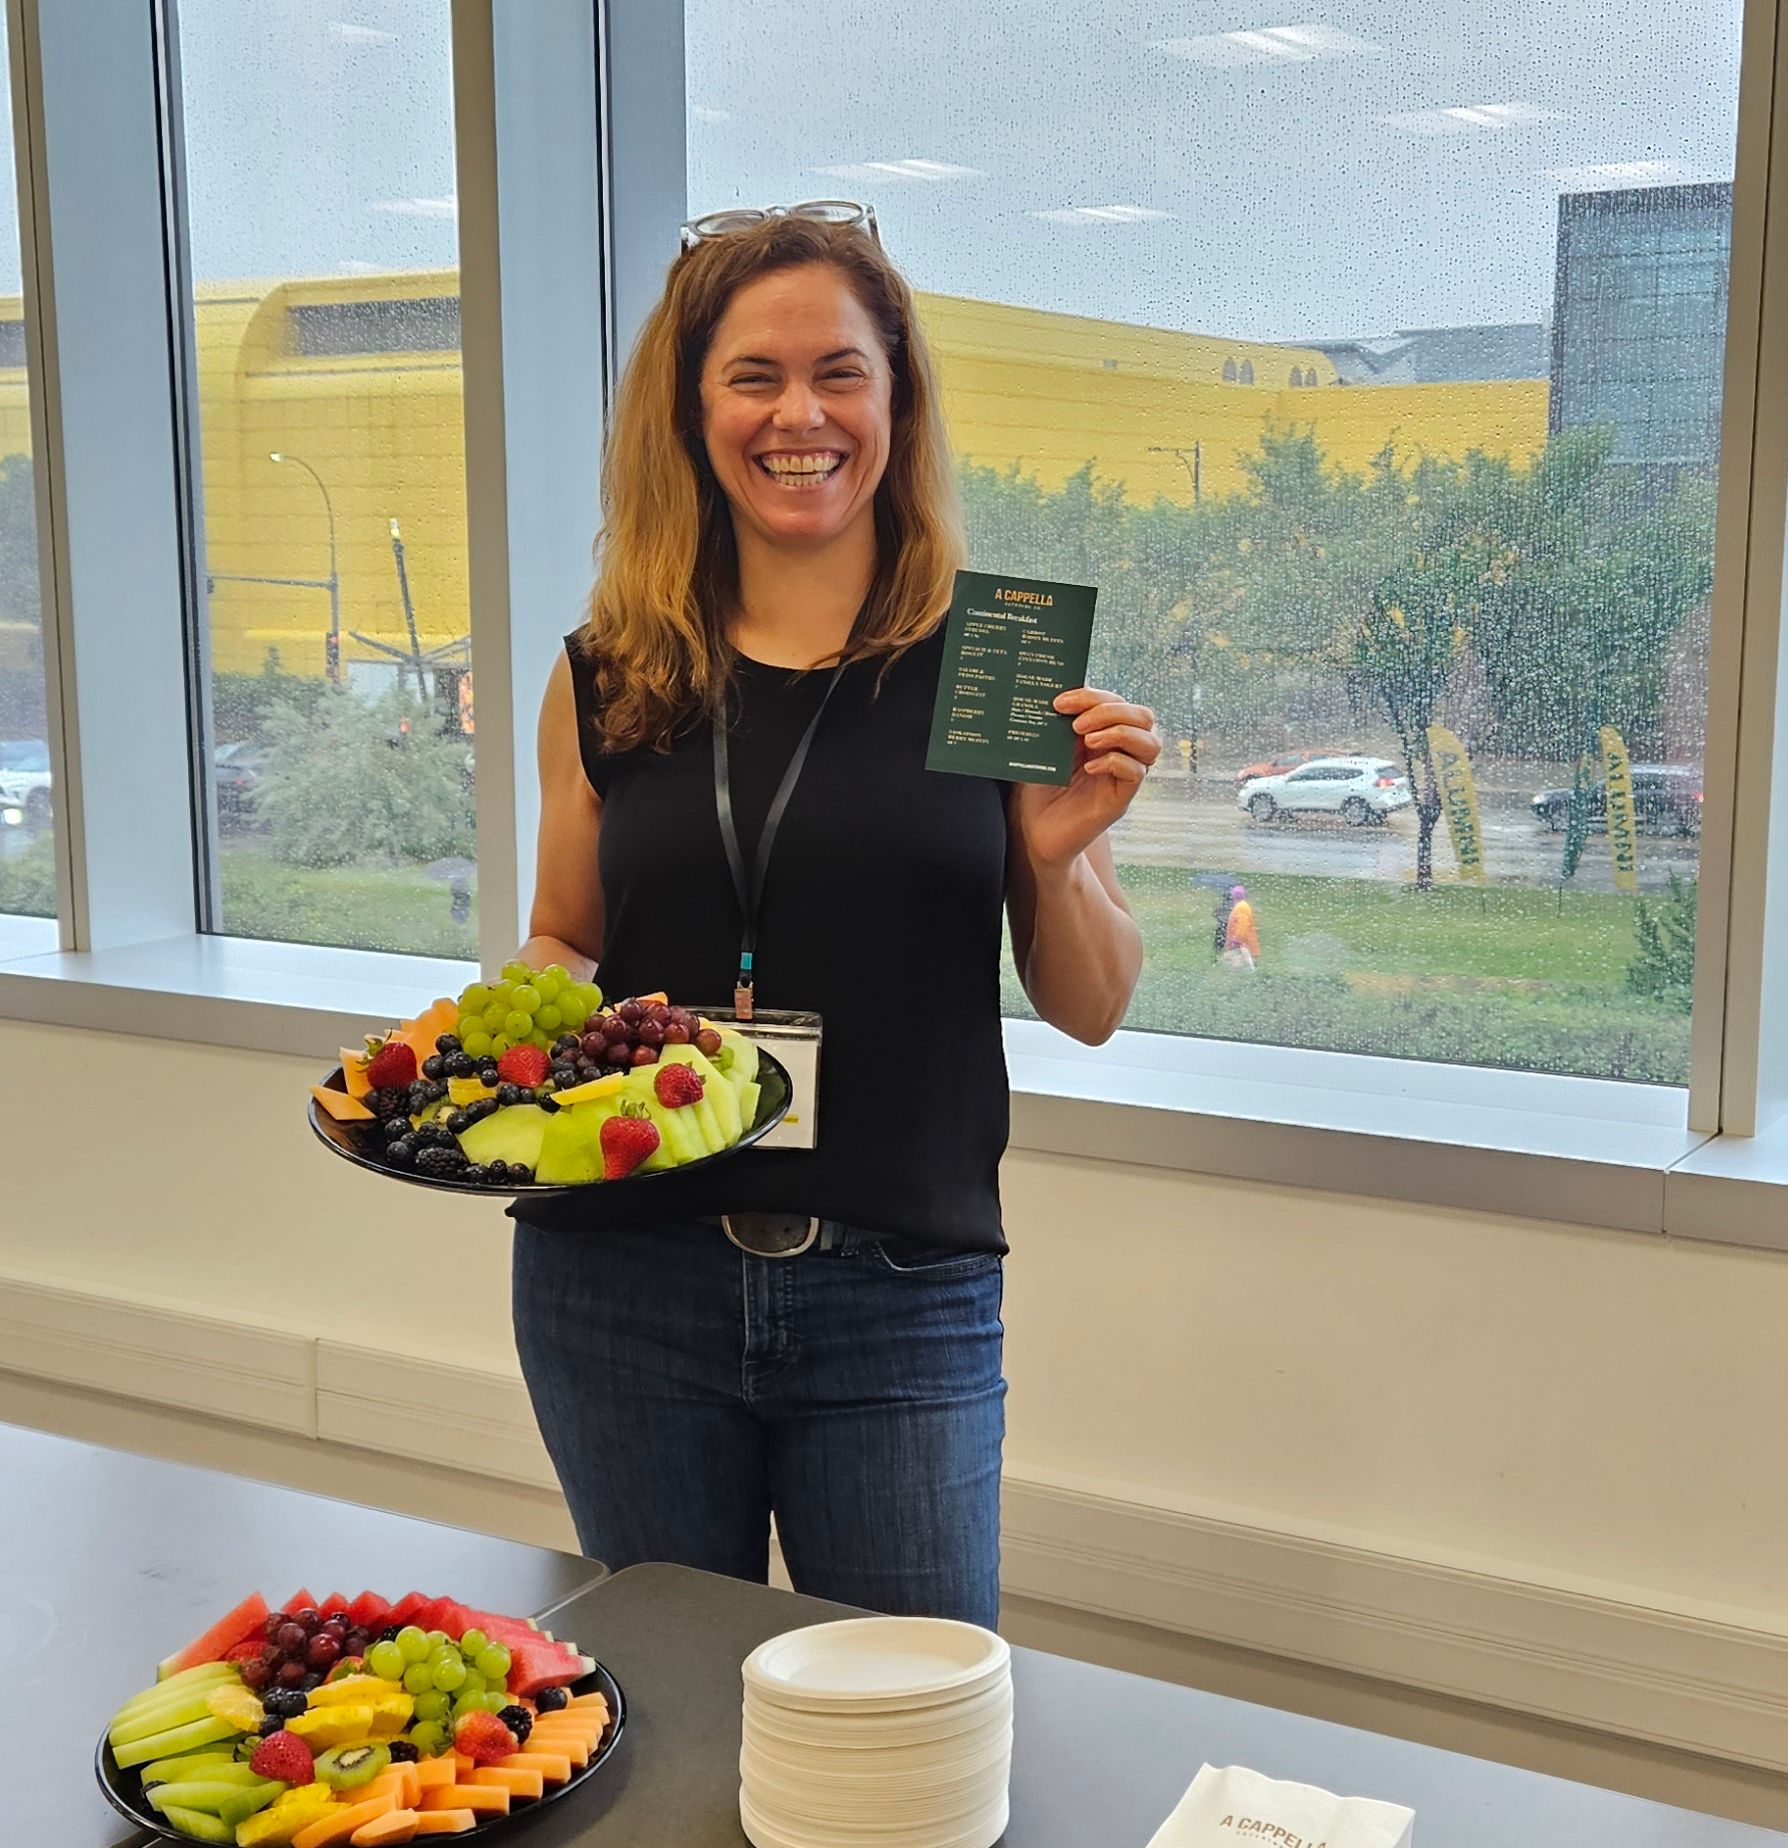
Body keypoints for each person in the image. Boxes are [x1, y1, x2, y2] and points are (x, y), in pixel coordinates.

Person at [507, 201, 1159, 1631]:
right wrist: (533, 1027)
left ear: (896, 401)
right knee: (664, 1696)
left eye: (839, 373)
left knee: (914, 1716)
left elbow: (1095, 1005)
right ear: (692, 414)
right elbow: (561, 936)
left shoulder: (998, 662)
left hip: (899, 1291)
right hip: (621, 1280)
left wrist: (1055, 862)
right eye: (754, 376)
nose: (799, 415)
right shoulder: (611, 672)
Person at [1223, 884, 1259, 969]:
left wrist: (1236, 939)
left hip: (1241, 941)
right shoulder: (1241, 906)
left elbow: (1242, 924)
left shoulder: (1241, 907)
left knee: (1234, 959)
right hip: (1240, 941)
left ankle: (1249, 970)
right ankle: (1249, 970)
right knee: (1234, 959)